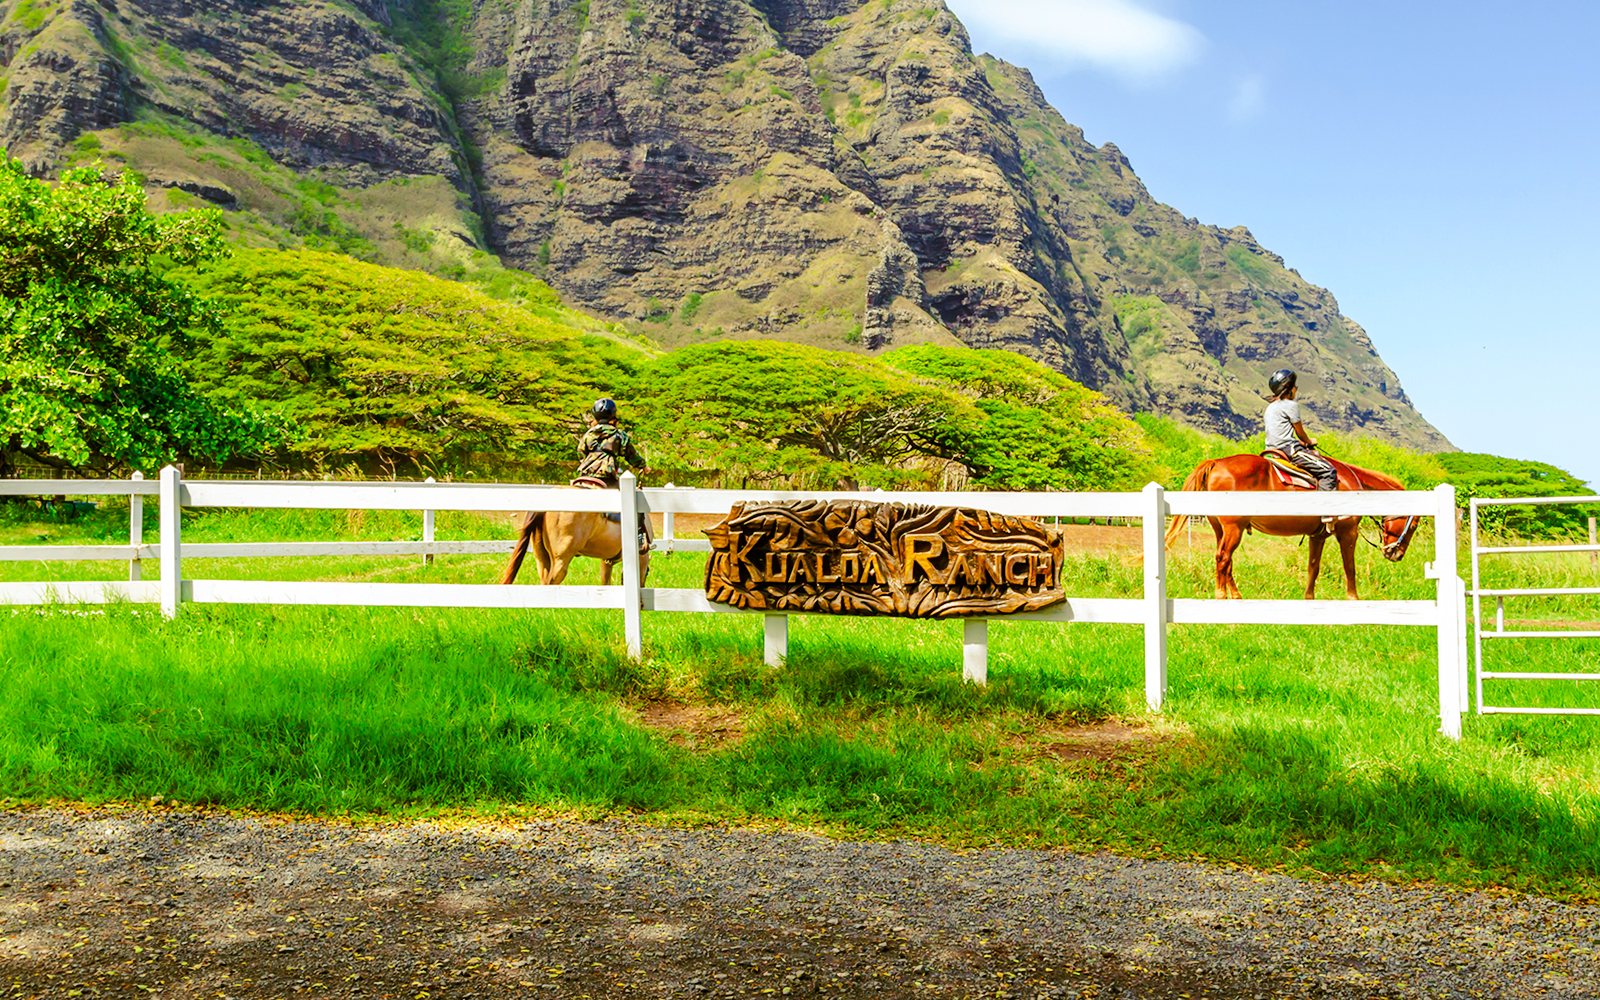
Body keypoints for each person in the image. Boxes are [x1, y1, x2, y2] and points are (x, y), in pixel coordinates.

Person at [1263, 369, 1339, 520]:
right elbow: (1300, 432)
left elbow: (1279, 434)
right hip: (1289, 450)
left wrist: (1299, 441)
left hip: (1271, 449)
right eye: (1295, 386)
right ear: (1289, 389)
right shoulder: (1290, 405)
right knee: (1328, 471)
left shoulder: (1269, 408)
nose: (1296, 389)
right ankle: (1326, 513)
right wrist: (1309, 441)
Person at [576, 397, 650, 552]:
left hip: (586, 475)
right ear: (613, 416)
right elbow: (631, 455)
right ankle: (638, 537)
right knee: (635, 500)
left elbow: (580, 452)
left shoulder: (588, 434)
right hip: (606, 477)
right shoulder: (619, 435)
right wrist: (643, 466)